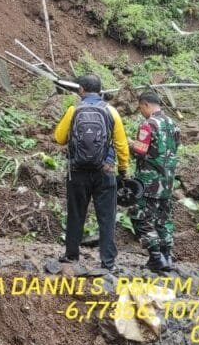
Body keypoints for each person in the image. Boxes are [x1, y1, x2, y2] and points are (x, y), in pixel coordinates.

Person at [53, 74, 129, 270]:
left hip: (77, 170)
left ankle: (71, 255)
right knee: (107, 216)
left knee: (76, 213)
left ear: (81, 90)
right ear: (101, 90)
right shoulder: (111, 111)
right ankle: (108, 262)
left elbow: (59, 138)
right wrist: (123, 169)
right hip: (105, 170)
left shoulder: (73, 110)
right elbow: (121, 144)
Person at [128, 91, 181, 272]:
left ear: (146, 105)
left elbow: (141, 150)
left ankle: (156, 257)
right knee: (163, 218)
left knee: (141, 216)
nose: (141, 111)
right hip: (167, 182)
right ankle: (167, 256)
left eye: (141, 108)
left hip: (148, 181)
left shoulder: (148, 124)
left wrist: (129, 143)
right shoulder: (174, 125)